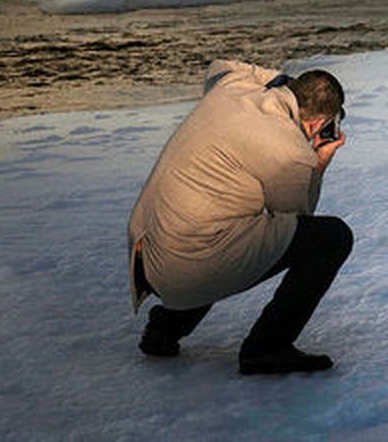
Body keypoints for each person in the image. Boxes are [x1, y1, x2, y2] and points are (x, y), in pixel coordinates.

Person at [128, 59, 352, 375]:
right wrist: (319, 161)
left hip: (150, 256)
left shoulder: (230, 87)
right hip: (187, 268)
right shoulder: (288, 150)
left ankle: (166, 328)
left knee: (221, 224)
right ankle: (267, 347)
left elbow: (218, 65)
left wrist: (291, 83)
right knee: (330, 238)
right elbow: (297, 216)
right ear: (318, 125)